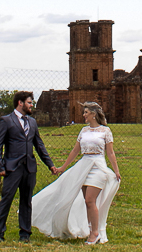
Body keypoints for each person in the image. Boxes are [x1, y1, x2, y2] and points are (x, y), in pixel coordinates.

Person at [32, 102, 121, 245]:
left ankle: (95, 233)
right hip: (84, 167)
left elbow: (110, 152)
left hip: (98, 167)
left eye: (86, 112)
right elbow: (75, 151)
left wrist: (116, 170)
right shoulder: (83, 131)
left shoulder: (105, 131)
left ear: (93, 114)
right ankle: (91, 231)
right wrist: (63, 167)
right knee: (88, 202)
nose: (84, 115)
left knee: (89, 200)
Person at [0, 91, 58, 243]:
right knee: (6, 200)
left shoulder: (32, 122)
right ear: (20, 103)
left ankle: (25, 233)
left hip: (29, 168)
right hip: (12, 168)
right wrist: (0, 167)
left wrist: (50, 165)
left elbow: (39, 145)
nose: (31, 105)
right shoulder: (6, 121)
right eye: (29, 102)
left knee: (26, 201)